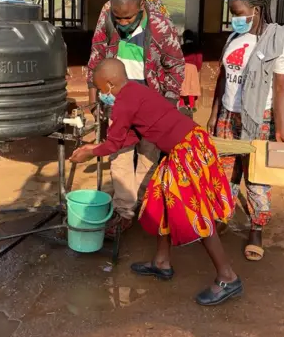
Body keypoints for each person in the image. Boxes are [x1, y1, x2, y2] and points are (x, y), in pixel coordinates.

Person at [71, 59, 241, 306]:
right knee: (160, 199)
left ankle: (228, 276)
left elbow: (114, 143)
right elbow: (130, 134)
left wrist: (89, 150)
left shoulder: (123, 103)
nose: (102, 95)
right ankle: (162, 262)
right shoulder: (138, 91)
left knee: (195, 213)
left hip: (186, 151)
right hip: (191, 142)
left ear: (109, 83)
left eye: (101, 89)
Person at [207, 0, 284, 262]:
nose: (234, 19)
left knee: (257, 176)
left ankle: (256, 229)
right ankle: (223, 215)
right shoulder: (234, 38)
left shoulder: (279, 43)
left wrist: (282, 128)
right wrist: (215, 114)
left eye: (238, 13)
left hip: (258, 118)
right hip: (228, 114)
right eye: (231, 13)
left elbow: (283, 87)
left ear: (257, 11)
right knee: (224, 174)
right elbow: (223, 77)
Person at [86, 0, 185, 235]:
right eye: (118, 18)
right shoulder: (108, 21)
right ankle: (123, 212)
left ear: (141, 6)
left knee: (147, 155)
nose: (122, 23)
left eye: (128, 17)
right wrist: (95, 95)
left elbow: (175, 66)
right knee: (119, 153)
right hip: (116, 99)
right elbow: (96, 56)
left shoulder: (161, 28)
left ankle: (139, 202)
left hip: (151, 103)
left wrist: (168, 105)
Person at [178, 29, 203, 118]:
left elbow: (178, 58)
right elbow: (199, 60)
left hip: (183, 68)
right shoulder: (196, 48)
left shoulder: (182, 47)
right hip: (193, 68)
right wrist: (197, 69)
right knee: (192, 87)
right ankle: (192, 106)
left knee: (183, 87)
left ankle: (181, 105)